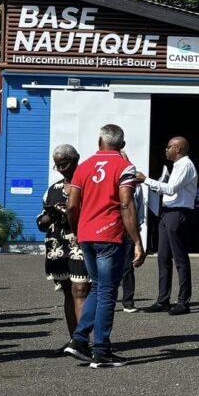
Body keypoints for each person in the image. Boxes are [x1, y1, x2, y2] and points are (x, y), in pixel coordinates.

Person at [66, 124, 146, 368]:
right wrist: (137, 241)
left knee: (97, 287)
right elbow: (126, 204)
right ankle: (101, 350)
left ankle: (79, 340)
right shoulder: (125, 167)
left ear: (99, 141)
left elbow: (72, 206)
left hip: (86, 234)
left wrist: (77, 231)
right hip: (110, 235)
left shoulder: (84, 166)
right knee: (108, 292)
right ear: (122, 145)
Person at [37, 144, 92, 353]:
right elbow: (42, 219)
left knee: (81, 289)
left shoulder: (88, 185)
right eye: (57, 165)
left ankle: (83, 341)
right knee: (68, 292)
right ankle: (73, 340)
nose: (61, 169)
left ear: (76, 159)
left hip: (80, 243)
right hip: (58, 246)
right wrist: (47, 218)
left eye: (64, 164)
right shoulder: (53, 189)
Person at [137, 137, 197, 315]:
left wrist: (146, 180)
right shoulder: (177, 166)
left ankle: (183, 301)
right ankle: (163, 299)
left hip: (178, 213)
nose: (166, 149)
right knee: (163, 257)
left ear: (178, 148)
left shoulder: (185, 165)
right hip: (167, 212)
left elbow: (171, 189)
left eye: (169, 146)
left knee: (180, 258)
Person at [119, 151, 145, 313]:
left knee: (128, 266)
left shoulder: (136, 184)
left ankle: (128, 301)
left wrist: (138, 226)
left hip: (129, 230)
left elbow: (139, 206)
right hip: (112, 229)